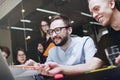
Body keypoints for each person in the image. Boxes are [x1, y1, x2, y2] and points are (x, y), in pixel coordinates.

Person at [34, 0, 120, 76]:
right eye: (91, 13)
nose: (94, 15)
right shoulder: (106, 40)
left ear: (111, 3)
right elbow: (91, 66)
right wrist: (60, 68)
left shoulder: (85, 41)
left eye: (96, 8)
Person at [25, 14, 97, 76]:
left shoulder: (85, 42)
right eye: (51, 31)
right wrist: (36, 66)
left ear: (69, 30)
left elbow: (93, 67)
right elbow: (46, 69)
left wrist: (61, 69)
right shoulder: (52, 51)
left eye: (57, 30)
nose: (53, 35)